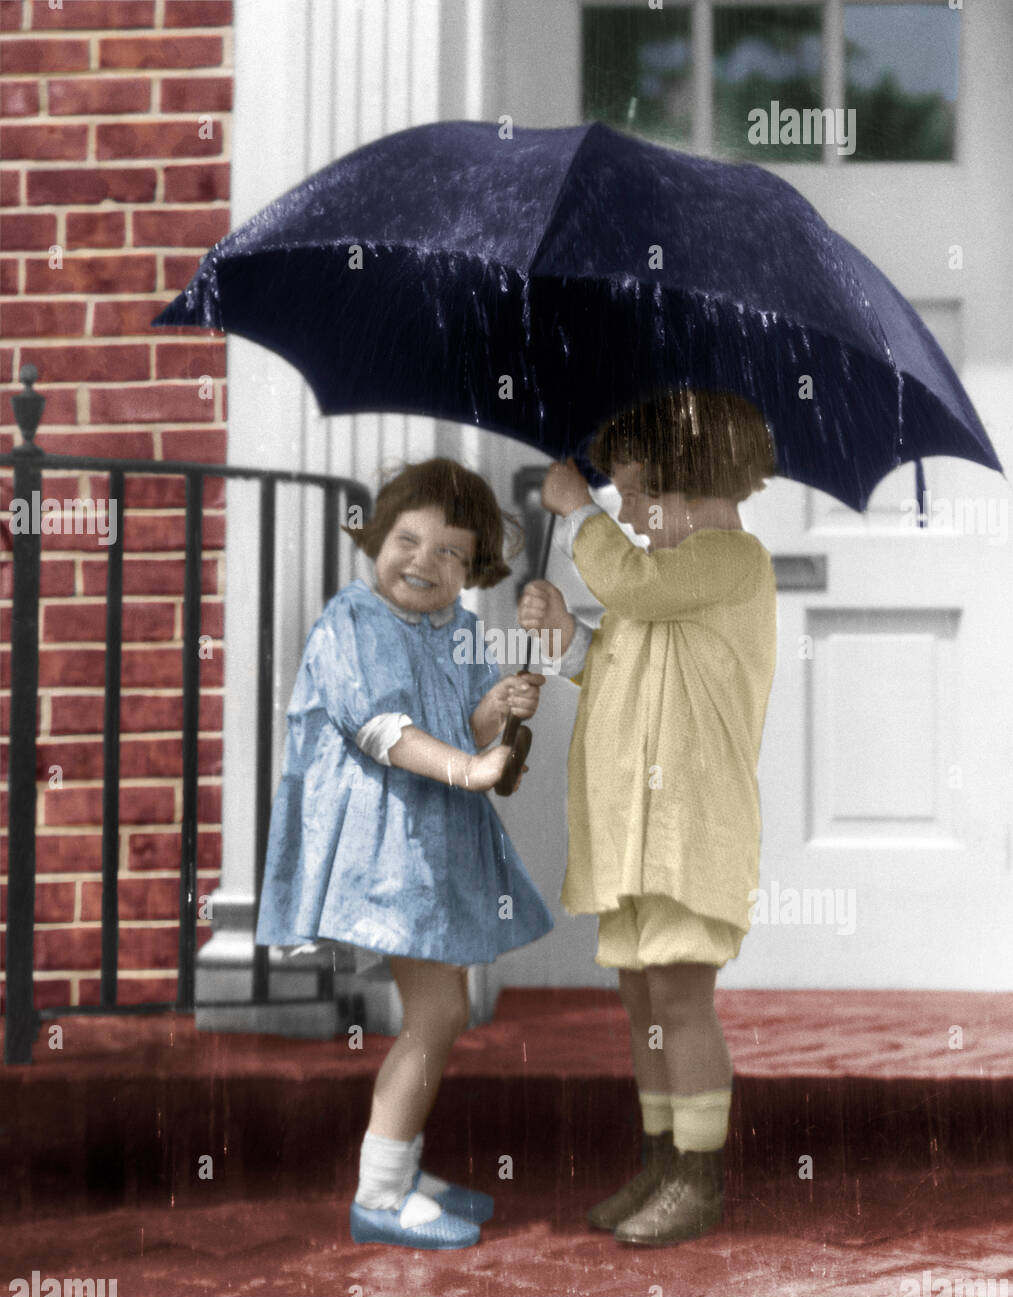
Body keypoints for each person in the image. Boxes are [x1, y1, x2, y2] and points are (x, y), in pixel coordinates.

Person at [255, 456, 553, 1250]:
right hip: (382, 844)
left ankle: (400, 1168)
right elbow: (380, 728)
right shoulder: (351, 622)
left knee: (439, 1010)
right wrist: (466, 768)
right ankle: (380, 1195)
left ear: (474, 567)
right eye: (407, 540)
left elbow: (469, 724)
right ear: (377, 538)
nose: (422, 561)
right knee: (438, 1009)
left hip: (432, 842)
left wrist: (499, 706)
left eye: (450, 552)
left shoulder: (459, 629)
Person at [518, 388, 778, 1246]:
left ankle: (700, 1177)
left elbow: (630, 580)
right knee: (643, 999)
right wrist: (563, 634)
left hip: (685, 829)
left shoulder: (729, 561)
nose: (626, 511)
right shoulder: (661, 584)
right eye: (622, 495)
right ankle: (662, 1160)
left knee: (679, 994)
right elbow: (612, 663)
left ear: (690, 482)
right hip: (630, 829)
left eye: (636, 493)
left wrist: (576, 507)